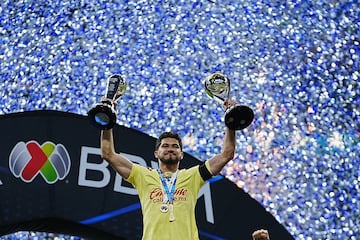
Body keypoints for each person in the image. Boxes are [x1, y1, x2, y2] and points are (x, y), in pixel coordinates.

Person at [100, 99, 237, 240]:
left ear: (182, 155)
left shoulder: (193, 175)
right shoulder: (142, 175)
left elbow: (227, 154)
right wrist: (107, 118)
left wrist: (231, 120)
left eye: (175, 146)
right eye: (165, 146)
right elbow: (108, 154)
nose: (170, 149)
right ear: (156, 153)